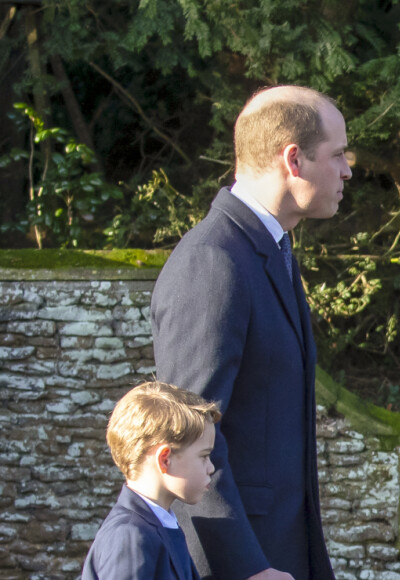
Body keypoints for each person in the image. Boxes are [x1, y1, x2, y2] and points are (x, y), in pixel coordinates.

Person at [151, 85, 352, 580]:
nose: (348, 170)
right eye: (339, 154)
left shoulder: (269, 250)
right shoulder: (213, 262)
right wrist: (244, 568)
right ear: (293, 159)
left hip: (281, 548)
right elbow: (186, 435)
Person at [81, 381, 221, 580]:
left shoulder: (162, 523)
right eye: (204, 456)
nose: (211, 467)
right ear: (165, 459)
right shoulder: (129, 537)